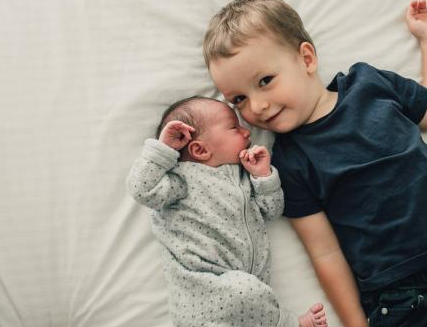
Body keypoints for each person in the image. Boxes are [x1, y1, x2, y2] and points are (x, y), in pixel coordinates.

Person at [203, 0, 427, 327]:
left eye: (265, 80)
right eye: (238, 100)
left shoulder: (369, 85)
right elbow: (326, 253)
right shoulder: (291, 162)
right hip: (410, 302)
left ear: (307, 58)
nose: (257, 106)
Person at [125, 95, 328, 327]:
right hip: (202, 291)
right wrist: (163, 149)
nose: (246, 132)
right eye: (234, 128)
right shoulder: (181, 180)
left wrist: (263, 176)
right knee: (246, 291)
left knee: (248, 291)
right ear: (200, 150)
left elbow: (272, 211)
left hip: (246, 300)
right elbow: (141, 189)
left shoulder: (244, 179)